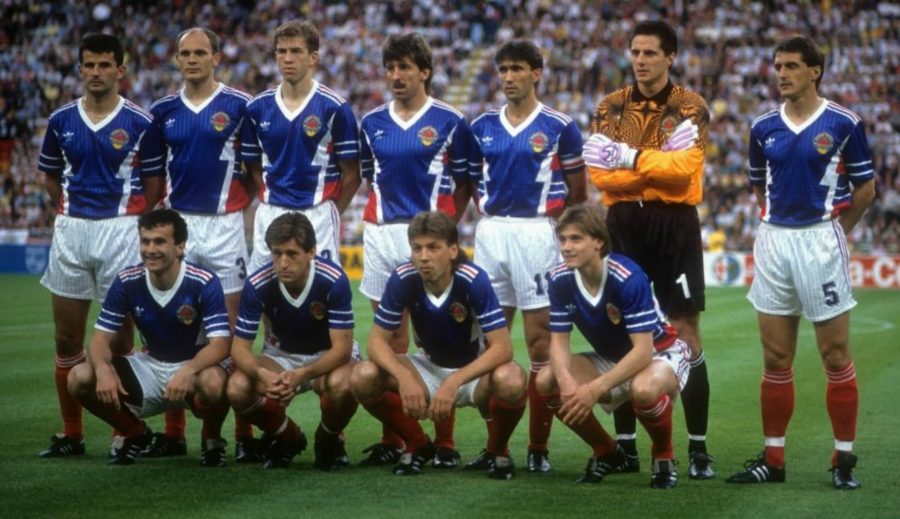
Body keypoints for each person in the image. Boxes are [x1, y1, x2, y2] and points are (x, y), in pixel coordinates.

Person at [726, 36, 875, 490]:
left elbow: (865, 189)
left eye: (791, 66)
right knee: (775, 357)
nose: (782, 74)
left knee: (835, 354)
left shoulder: (844, 122)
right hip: (774, 241)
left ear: (815, 71)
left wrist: (835, 233)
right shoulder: (762, 127)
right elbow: (758, 185)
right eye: (778, 66)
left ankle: (843, 458)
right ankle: (773, 459)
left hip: (820, 241)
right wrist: (776, 223)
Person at [585, 20, 713, 478]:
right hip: (622, 222)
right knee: (624, 330)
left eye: (650, 53)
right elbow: (602, 176)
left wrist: (630, 157)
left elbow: (686, 172)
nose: (640, 60)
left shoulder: (690, 106)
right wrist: (656, 165)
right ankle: (627, 448)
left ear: (670, 56)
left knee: (685, 329)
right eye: (635, 52)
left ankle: (697, 448)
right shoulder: (611, 106)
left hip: (675, 223)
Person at [36, 33, 163, 457]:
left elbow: (154, 186)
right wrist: (71, 210)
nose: (96, 72)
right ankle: (72, 434)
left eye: (104, 64)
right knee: (66, 339)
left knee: (120, 342)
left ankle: (124, 432)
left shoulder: (140, 122)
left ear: (120, 70)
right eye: (89, 65)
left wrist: (126, 218)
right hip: (72, 230)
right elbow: (50, 177)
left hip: (121, 231)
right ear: (80, 69)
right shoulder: (61, 120)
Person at [467, 39, 586, 473]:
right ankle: (494, 446)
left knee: (539, 343)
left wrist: (558, 233)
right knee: (491, 343)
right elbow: (469, 181)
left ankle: (538, 447)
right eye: (503, 70)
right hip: (491, 233)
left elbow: (578, 192)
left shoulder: (559, 126)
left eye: (517, 69)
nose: (508, 77)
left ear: (536, 73)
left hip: (537, 232)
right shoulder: (480, 126)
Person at [356, 32, 473, 469]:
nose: (396, 75)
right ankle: (401, 439)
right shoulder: (371, 122)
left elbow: (465, 183)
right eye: (390, 68)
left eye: (404, 67)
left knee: (437, 337)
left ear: (425, 71)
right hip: (381, 233)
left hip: (426, 236)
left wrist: (443, 230)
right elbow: (369, 176)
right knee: (391, 338)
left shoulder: (450, 120)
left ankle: (444, 443)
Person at [147, 27, 260, 462]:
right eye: (185, 53)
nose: (192, 59)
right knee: (172, 330)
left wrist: (235, 210)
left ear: (216, 57)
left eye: (200, 52)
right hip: (180, 226)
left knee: (230, 333)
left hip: (225, 227)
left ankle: (239, 434)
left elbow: (254, 175)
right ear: (177, 59)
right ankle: (174, 433)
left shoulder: (240, 106)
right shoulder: (162, 111)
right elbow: (154, 177)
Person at [350, 211, 526, 479]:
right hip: (429, 366)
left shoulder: (473, 279)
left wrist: (453, 382)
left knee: (512, 379)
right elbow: (375, 342)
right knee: (362, 376)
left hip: (472, 372)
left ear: (453, 250)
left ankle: (498, 451)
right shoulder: (403, 277)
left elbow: (503, 348)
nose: (423, 256)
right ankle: (418, 443)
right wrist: (404, 378)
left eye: (433, 247)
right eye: (417, 248)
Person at [536, 206, 689, 489]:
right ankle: (607, 451)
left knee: (643, 389)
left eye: (576, 239)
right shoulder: (559, 279)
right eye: (563, 239)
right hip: (612, 358)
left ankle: (663, 455)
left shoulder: (627, 276)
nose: (566, 247)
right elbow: (558, 343)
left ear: (598, 242)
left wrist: (593, 390)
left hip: (661, 354)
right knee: (547, 380)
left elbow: (643, 351)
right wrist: (567, 381)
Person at [67, 209, 232, 466]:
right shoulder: (127, 281)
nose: (150, 249)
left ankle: (211, 440)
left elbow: (221, 345)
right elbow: (99, 338)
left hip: (195, 370)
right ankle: (135, 432)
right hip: (150, 367)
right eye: (145, 241)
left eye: (159, 242)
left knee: (214, 382)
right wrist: (102, 368)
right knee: (79, 377)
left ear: (180, 247)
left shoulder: (203, 281)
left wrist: (189, 370)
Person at [227, 212, 358, 470]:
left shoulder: (333, 279)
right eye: (277, 253)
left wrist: (303, 374)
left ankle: (328, 438)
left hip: (327, 356)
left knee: (345, 384)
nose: (283, 263)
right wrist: (264, 376)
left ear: (311, 252)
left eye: (292, 254)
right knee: (237, 387)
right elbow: (239, 350)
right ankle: (288, 436)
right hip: (281, 356)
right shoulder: (258, 283)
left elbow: (342, 349)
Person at [241, 20, 360, 273]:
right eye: (281, 51)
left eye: (296, 51)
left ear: (313, 58)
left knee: (322, 291)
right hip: (271, 212)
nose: (288, 58)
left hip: (318, 214)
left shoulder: (335, 107)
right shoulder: (256, 108)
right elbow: (252, 167)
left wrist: (331, 211)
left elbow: (352, 174)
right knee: (262, 290)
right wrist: (271, 197)